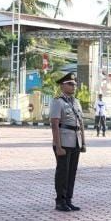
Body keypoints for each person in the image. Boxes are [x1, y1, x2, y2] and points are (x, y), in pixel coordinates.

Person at [50, 72, 86, 212]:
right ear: (62, 86)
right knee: (62, 172)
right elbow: (55, 124)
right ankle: (60, 201)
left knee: (72, 172)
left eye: (74, 84)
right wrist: (58, 145)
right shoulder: (57, 102)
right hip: (63, 141)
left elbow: (80, 122)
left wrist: (83, 142)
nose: (73, 87)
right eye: (70, 84)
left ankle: (68, 200)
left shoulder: (76, 102)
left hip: (75, 140)